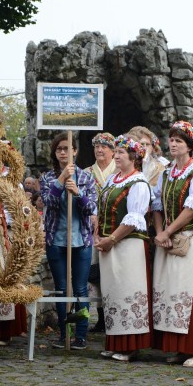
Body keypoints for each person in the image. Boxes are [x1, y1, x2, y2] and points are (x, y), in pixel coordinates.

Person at [152, 121, 193, 367]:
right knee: (169, 290)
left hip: (190, 237)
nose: (174, 144)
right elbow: (156, 204)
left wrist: (168, 230)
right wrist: (160, 232)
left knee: (190, 291)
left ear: (191, 146)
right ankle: (179, 347)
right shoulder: (167, 172)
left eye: (179, 140)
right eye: (172, 139)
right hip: (168, 239)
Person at [95, 135, 152, 362]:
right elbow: (102, 209)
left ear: (134, 157)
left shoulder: (138, 183)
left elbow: (133, 218)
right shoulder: (113, 180)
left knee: (128, 291)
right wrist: (99, 236)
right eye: (115, 152)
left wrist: (112, 239)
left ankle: (130, 346)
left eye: (120, 152)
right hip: (110, 244)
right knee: (113, 293)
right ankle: (115, 342)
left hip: (128, 245)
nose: (116, 155)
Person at [40, 133, 97, 350]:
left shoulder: (85, 178)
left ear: (75, 151)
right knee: (62, 289)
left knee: (81, 289)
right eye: (59, 149)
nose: (63, 152)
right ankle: (65, 333)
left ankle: (80, 336)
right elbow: (48, 203)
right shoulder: (47, 179)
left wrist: (78, 193)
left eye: (67, 148)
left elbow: (90, 207)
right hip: (56, 240)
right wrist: (62, 179)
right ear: (55, 153)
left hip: (80, 241)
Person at [86, 132, 117, 333]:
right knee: (94, 270)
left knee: (112, 269)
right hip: (92, 227)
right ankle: (100, 315)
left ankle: (114, 312)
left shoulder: (120, 172)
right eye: (96, 147)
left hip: (114, 227)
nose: (99, 150)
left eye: (103, 147)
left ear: (113, 151)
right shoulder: (87, 172)